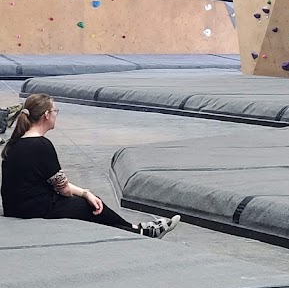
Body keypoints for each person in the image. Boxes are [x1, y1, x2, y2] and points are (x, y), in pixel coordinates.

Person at [1, 93, 180, 238]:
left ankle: (136, 228)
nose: (56, 115)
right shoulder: (41, 145)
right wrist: (87, 197)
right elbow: (63, 189)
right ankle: (139, 230)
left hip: (15, 206)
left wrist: (86, 192)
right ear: (46, 115)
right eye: (55, 111)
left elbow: (53, 181)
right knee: (89, 207)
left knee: (88, 200)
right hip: (33, 208)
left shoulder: (15, 143)